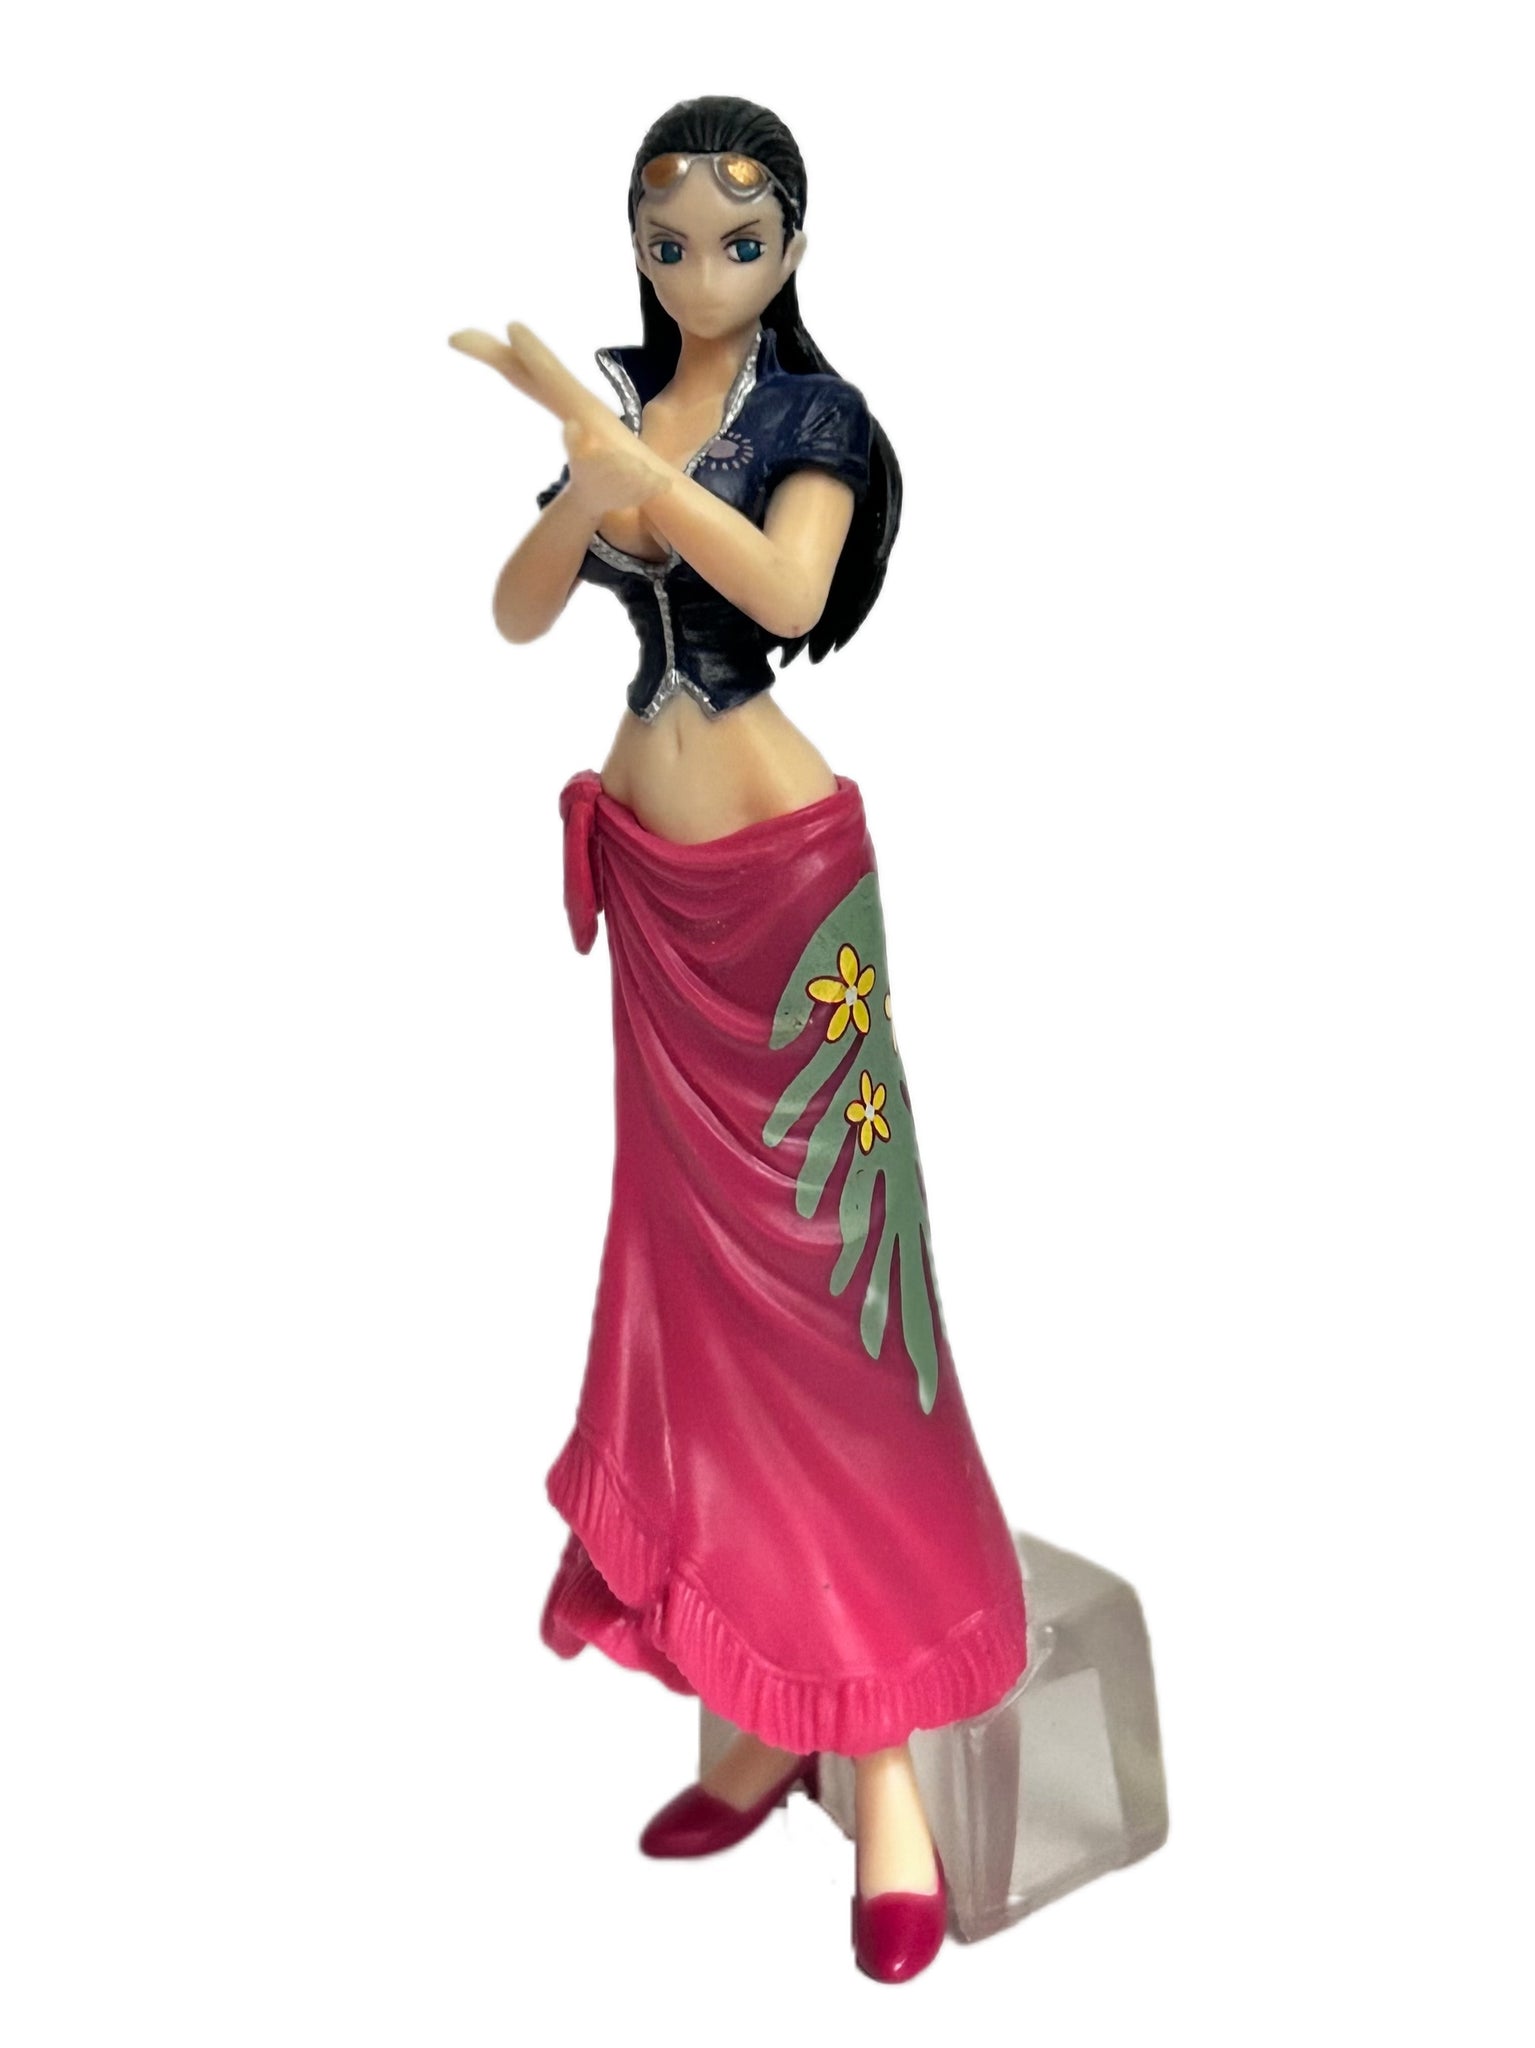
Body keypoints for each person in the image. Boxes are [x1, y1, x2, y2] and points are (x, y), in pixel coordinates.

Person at [451, 95, 1028, 1984]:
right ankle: (757, 1711)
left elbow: (784, 591)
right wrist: (587, 473)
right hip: (654, 905)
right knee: (695, 1309)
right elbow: (518, 611)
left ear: (791, 243)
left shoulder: (815, 422)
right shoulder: (624, 391)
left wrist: (644, 470)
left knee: (845, 1321)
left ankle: (887, 1768)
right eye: (667, 237)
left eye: (735, 237)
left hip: (780, 909)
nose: (697, 267)